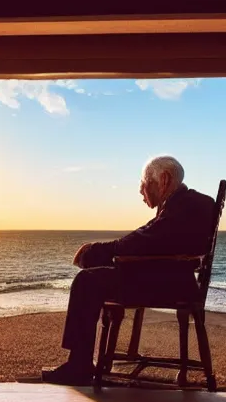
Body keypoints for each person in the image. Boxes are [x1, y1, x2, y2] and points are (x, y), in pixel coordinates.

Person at [42, 155, 215, 385]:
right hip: (173, 279)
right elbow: (148, 237)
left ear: (163, 179)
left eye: (144, 183)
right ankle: (80, 363)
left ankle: (79, 365)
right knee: (94, 275)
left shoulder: (184, 206)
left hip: (167, 284)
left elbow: (144, 240)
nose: (141, 190)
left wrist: (94, 251)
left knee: (87, 281)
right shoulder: (187, 203)